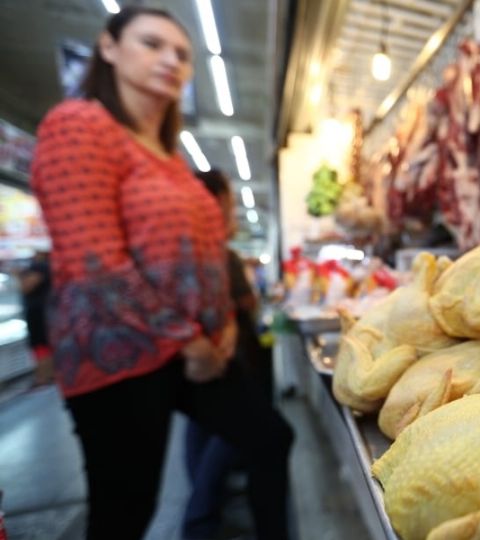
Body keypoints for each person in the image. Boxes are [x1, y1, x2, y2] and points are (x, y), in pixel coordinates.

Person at [29, 7, 293, 539]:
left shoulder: (168, 156)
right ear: (108, 48)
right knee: (125, 511)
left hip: (195, 346)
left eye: (181, 53)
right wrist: (187, 340)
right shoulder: (78, 124)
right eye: (152, 44)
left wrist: (221, 331)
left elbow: (207, 254)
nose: (170, 60)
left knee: (269, 437)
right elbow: (93, 262)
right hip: (118, 353)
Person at [182, 169, 276, 540]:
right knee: (244, 434)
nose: (232, 208)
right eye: (229, 200)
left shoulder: (199, 248)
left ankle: (202, 510)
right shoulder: (217, 251)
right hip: (220, 358)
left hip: (207, 359)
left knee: (205, 431)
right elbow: (242, 304)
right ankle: (201, 515)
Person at [18, 251, 53, 385]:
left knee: (40, 343)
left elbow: (26, 287)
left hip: (39, 313)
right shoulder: (45, 265)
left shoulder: (40, 266)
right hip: (42, 312)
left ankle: (45, 376)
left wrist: (17, 275)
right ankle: (46, 376)